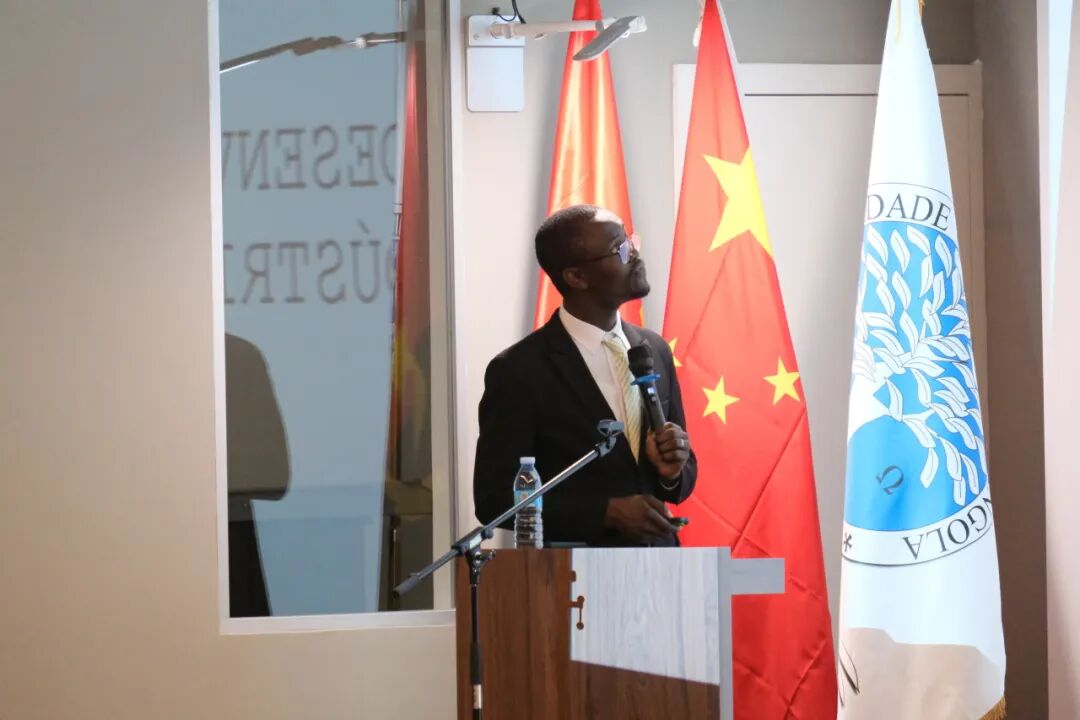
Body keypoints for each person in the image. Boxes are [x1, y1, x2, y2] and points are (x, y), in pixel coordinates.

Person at [473, 205, 697, 547]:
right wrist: (605, 513)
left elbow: (679, 481)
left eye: (631, 242)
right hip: (575, 572)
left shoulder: (653, 349)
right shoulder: (519, 370)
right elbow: (494, 499)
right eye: (620, 248)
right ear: (577, 277)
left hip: (661, 566)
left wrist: (672, 471)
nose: (635, 255)